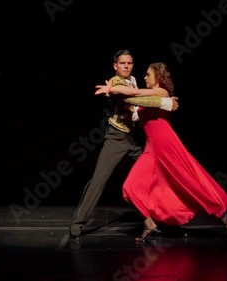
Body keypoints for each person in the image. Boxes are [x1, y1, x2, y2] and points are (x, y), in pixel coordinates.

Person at [94, 62, 227, 242]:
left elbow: (136, 94)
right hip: (151, 149)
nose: (145, 77)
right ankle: (150, 225)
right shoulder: (148, 99)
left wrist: (114, 87)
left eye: (148, 74)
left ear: (159, 77)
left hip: (167, 145)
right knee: (129, 187)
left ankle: (223, 215)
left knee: (190, 181)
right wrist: (116, 98)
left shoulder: (162, 92)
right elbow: (135, 105)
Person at [69, 50, 179, 239]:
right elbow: (132, 98)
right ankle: (77, 223)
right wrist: (165, 102)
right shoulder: (115, 83)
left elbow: (138, 97)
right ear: (115, 66)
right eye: (123, 63)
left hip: (134, 139)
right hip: (117, 137)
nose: (127, 66)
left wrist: (162, 100)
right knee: (99, 179)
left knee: (152, 176)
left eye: (129, 63)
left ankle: (155, 220)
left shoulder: (134, 81)